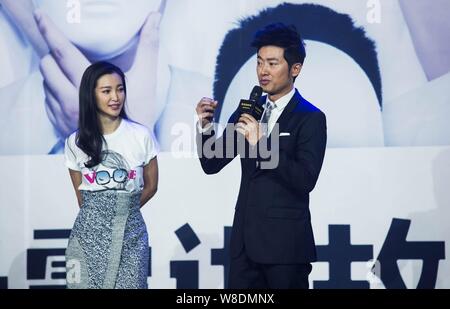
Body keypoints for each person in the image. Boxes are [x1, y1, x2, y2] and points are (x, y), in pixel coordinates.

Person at [196, 23, 327, 289]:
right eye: (259, 63)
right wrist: (205, 126)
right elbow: (212, 162)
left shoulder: (310, 117)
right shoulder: (249, 110)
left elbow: (305, 179)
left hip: (285, 248)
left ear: (295, 68)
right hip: (245, 245)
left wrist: (261, 144)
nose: (263, 71)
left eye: (272, 63)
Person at [64, 62, 158, 289]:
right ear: (91, 95)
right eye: (106, 91)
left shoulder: (140, 135)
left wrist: (123, 212)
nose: (116, 97)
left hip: (132, 234)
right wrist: (104, 217)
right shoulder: (75, 142)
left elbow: (151, 186)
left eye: (120, 89)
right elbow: (82, 199)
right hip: (89, 235)